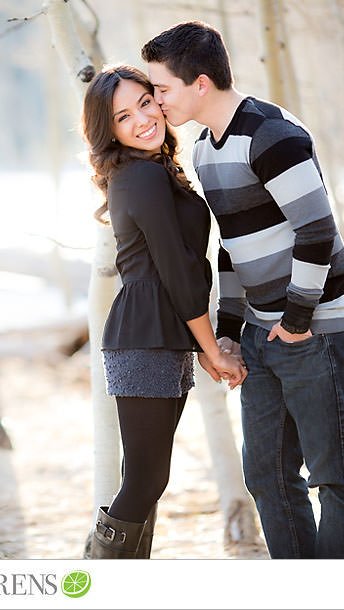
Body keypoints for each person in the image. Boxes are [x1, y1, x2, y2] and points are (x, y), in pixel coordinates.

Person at [142, 21, 344, 559]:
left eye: (162, 89)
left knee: (335, 475)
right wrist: (228, 333)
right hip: (264, 334)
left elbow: (316, 232)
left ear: (200, 83)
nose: (156, 103)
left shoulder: (273, 134)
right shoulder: (204, 149)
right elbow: (233, 245)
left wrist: (294, 323)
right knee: (267, 474)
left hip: (320, 326)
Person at [80, 65, 247, 559]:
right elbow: (175, 269)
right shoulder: (141, 175)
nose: (141, 120)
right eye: (123, 116)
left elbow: (181, 268)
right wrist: (211, 347)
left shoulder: (149, 171)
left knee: (149, 479)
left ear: (159, 101)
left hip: (159, 334)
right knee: (147, 479)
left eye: (146, 104)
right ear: (108, 130)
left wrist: (199, 343)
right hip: (145, 336)